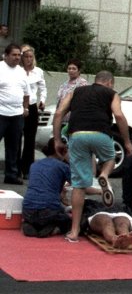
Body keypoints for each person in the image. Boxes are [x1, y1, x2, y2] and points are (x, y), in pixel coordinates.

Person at [53, 70, 132, 243]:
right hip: (101, 134)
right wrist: (126, 142)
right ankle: (104, 175)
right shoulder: (112, 93)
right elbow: (118, 115)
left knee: (79, 185)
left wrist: (58, 140)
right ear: (110, 83)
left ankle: (74, 232)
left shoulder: (76, 91)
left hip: (77, 135)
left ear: (95, 80)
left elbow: (59, 113)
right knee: (110, 159)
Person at [21, 138, 71, 237]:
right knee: (69, 221)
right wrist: (99, 191)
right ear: (64, 151)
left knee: (39, 213)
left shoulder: (34, 165)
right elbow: (80, 186)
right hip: (48, 211)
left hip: (27, 210)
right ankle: (53, 227)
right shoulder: (63, 166)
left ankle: (29, 224)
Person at [0, 43, 29, 185]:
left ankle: (11, 174)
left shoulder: (21, 71)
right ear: (6, 55)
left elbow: (26, 93)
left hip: (17, 115)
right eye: (14, 55)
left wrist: (26, 108)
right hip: (1, 113)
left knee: (14, 147)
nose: (17, 57)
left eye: (19, 55)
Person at [19, 45, 46, 177]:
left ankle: (27, 169)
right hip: (18, 106)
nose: (29, 59)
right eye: (26, 57)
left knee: (30, 139)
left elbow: (43, 88)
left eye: (31, 57)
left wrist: (43, 100)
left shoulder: (38, 71)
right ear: (22, 58)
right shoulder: (17, 71)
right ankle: (15, 167)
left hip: (32, 105)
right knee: (16, 137)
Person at [55, 58, 88, 126]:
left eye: (74, 68)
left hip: (75, 120)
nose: (71, 70)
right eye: (69, 68)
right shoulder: (64, 84)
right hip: (62, 120)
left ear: (79, 70)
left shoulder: (83, 84)